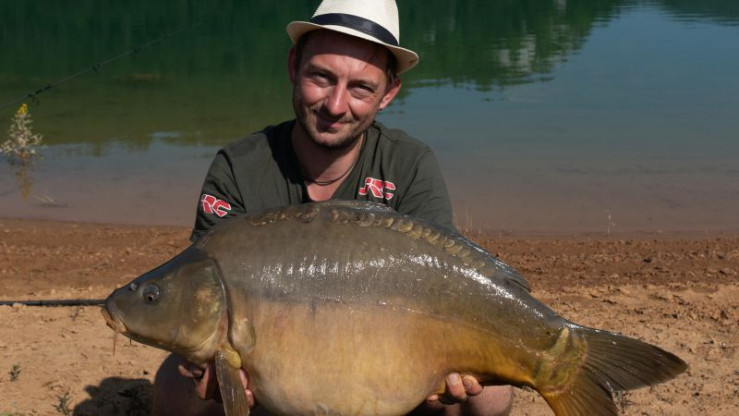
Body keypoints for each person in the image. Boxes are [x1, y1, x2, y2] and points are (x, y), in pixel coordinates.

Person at [153, 1, 514, 415]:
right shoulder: (239, 168)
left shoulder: (409, 165)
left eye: (361, 88)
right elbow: (202, 295)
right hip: (274, 376)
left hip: (389, 364)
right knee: (175, 387)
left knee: (491, 395)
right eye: (322, 77)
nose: (336, 105)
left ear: (388, 93)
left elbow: (445, 286)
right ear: (294, 66)